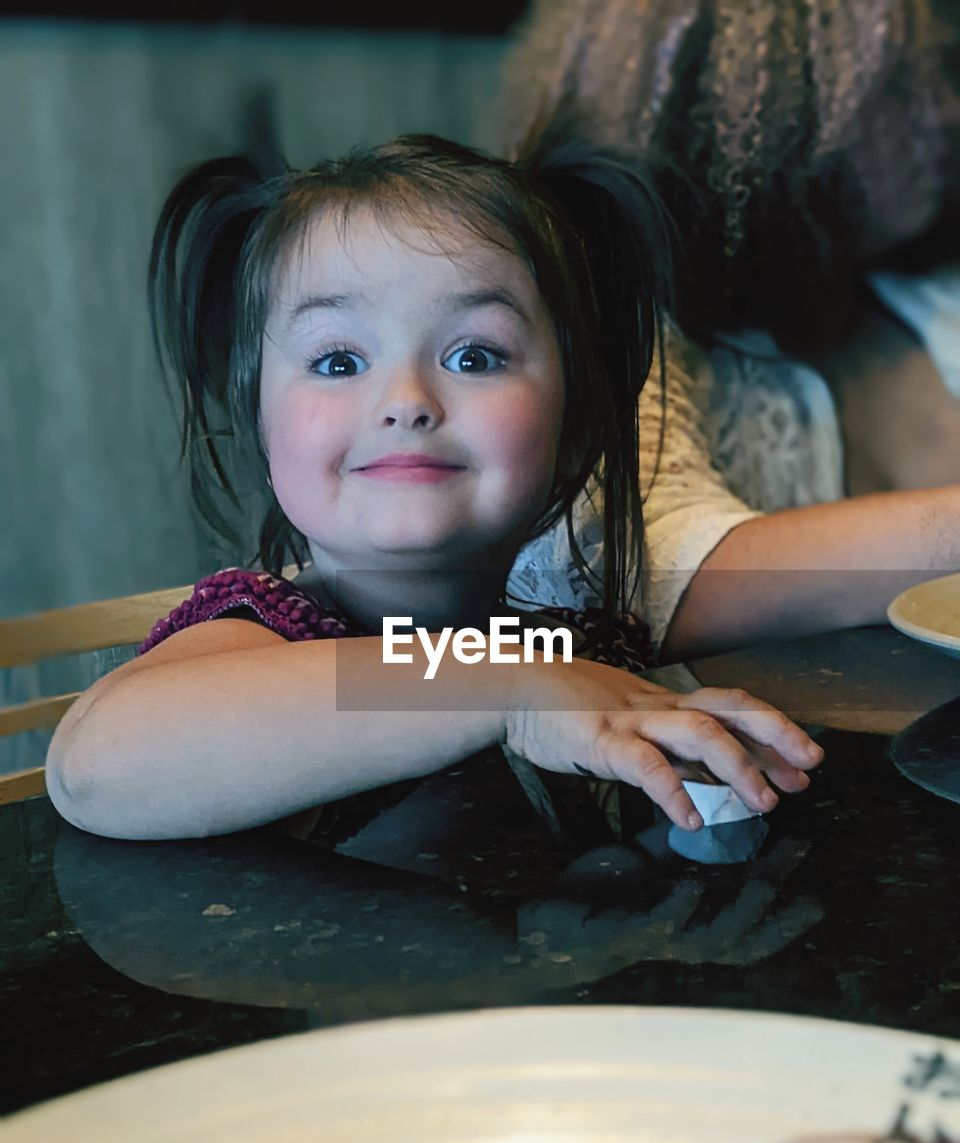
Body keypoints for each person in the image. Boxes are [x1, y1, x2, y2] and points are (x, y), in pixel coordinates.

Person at [44, 131, 822, 842]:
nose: (407, 400)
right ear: (260, 426)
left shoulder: (563, 646)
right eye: (338, 362)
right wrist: (504, 690)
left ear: (577, 423)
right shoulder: (258, 634)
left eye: (475, 356)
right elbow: (94, 763)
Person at [503, 0, 960, 659]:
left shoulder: (922, 288)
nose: (947, 113)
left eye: (942, 76)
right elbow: (638, 585)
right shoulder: (604, 309)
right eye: (898, 90)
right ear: (777, 119)